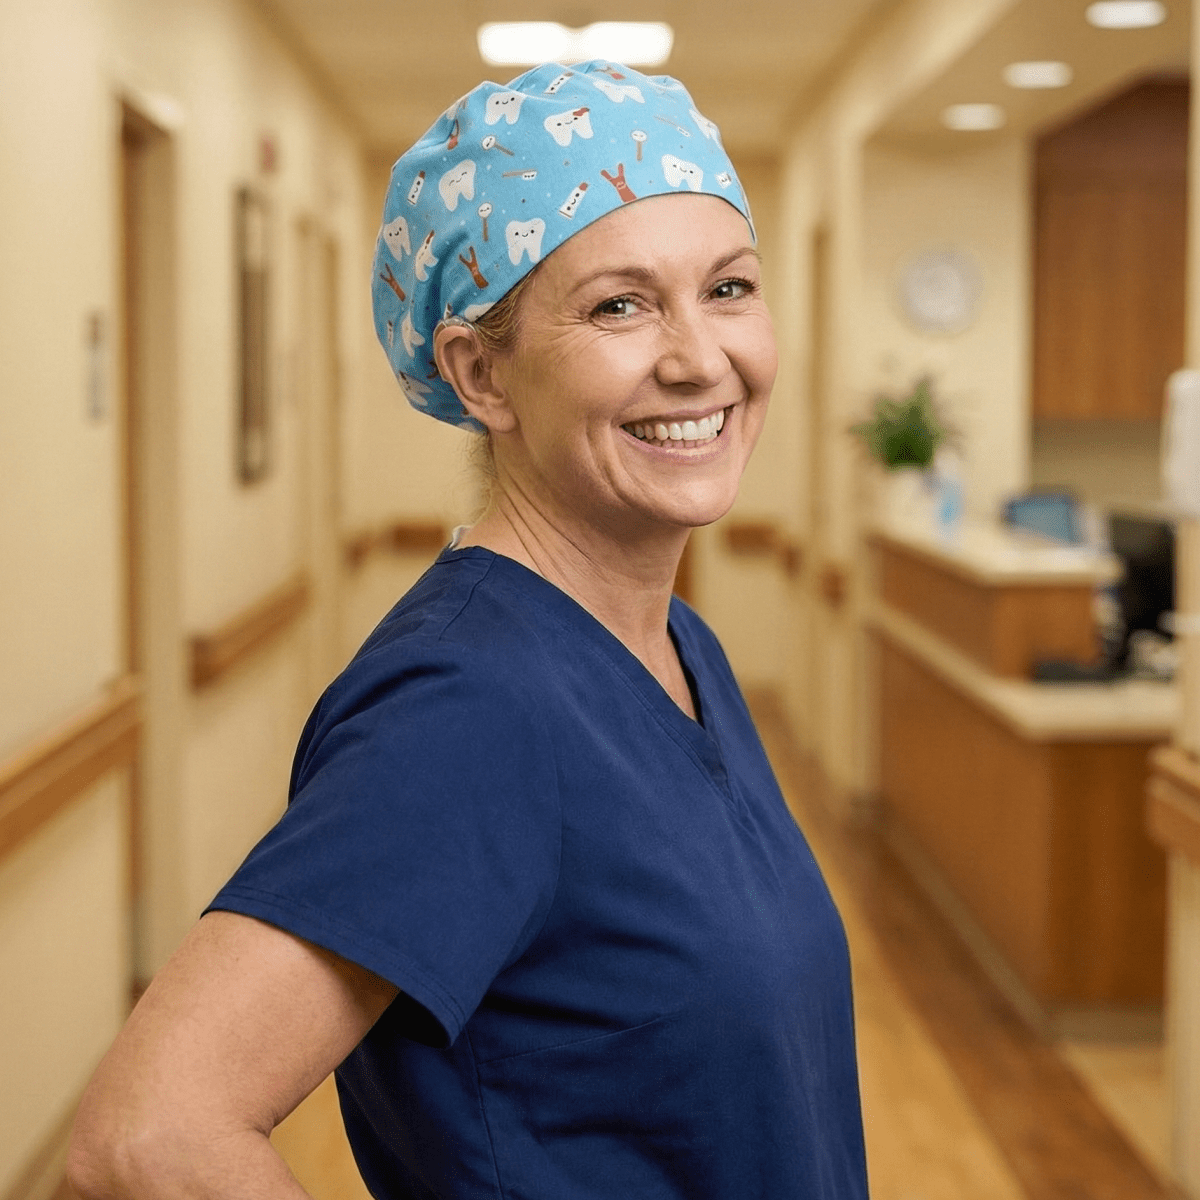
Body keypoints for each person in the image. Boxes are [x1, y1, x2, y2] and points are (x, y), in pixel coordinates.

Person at [68, 61, 869, 1199]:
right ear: (480, 373)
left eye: (729, 288)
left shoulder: (679, 648)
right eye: (619, 305)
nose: (700, 357)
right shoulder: (473, 703)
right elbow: (148, 1137)